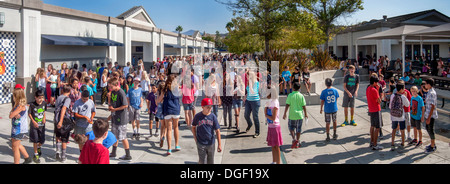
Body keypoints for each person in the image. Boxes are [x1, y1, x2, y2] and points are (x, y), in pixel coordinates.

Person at [191, 98, 222, 164]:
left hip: (211, 143)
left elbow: (217, 131)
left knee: (210, 161)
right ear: (202, 107)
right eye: (207, 107)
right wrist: (195, 138)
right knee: (202, 161)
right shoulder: (197, 116)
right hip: (201, 143)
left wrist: (219, 144)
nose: (209, 109)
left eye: (211, 107)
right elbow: (193, 127)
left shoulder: (213, 116)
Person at [108, 78, 132, 161]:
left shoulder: (121, 92)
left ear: (115, 85)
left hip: (121, 118)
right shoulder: (113, 92)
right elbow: (112, 103)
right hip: (115, 117)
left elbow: (125, 105)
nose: (109, 87)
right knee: (115, 136)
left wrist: (115, 109)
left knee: (122, 137)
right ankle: (114, 152)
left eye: (110, 86)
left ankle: (128, 155)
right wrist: (111, 107)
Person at [156, 74, 181, 155]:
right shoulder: (177, 88)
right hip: (176, 109)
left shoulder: (164, 90)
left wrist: (158, 98)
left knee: (169, 129)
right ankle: (176, 145)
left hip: (167, 110)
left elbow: (159, 100)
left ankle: (169, 148)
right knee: (176, 127)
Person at [10, 85, 32, 164]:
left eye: (14, 95)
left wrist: (13, 113)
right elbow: (12, 113)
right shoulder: (17, 105)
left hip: (19, 129)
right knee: (15, 145)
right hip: (16, 128)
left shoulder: (20, 106)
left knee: (15, 148)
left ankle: (17, 162)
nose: (13, 97)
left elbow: (10, 115)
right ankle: (27, 158)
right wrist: (13, 113)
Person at [283, 82, 307, 149]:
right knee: (298, 129)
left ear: (293, 88)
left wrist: (285, 113)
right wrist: (306, 114)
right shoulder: (301, 96)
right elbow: (304, 106)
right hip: (300, 115)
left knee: (291, 128)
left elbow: (287, 105)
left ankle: (294, 139)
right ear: (299, 88)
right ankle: (298, 141)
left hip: (292, 115)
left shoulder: (290, 95)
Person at [53, 84, 73, 162]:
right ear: (69, 91)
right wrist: (61, 121)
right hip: (63, 121)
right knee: (64, 138)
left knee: (58, 135)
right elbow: (64, 109)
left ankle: (57, 152)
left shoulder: (59, 97)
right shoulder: (67, 99)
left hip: (56, 119)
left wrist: (58, 121)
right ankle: (63, 156)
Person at [389, 82, 410, 151]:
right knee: (402, 129)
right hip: (401, 116)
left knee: (394, 129)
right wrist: (406, 97)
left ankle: (392, 143)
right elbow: (407, 105)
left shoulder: (392, 95)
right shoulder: (403, 96)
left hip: (393, 115)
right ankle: (402, 143)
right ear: (401, 89)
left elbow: (390, 106)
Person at [28, 89, 47, 163]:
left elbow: (44, 111)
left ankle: (39, 146)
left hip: (42, 125)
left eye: (42, 97)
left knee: (42, 140)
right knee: (35, 140)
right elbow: (29, 114)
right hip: (34, 126)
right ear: (35, 97)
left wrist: (44, 118)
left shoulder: (44, 103)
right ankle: (36, 154)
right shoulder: (32, 105)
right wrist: (33, 121)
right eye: (39, 98)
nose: (40, 99)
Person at [264, 86, 282, 164]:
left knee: (276, 146)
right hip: (270, 126)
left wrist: (266, 115)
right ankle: (274, 161)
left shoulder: (275, 102)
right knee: (272, 145)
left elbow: (273, 118)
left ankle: (278, 162)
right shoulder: (270, 101)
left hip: (275, 126)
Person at [366, 76, 383, 150]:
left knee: (372, 126)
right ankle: (375, 144)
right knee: (378, 127)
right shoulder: (374, 90)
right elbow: (379, 100)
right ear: (374, 82)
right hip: (376, 109)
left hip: (371, 109)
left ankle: (372, 141)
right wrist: (378, 90)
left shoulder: (368, 89)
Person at [422, 78, 438, 153]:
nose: (425, 85)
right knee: (427, 128)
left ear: (429, 84)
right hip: (427, 114)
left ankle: (432, 146)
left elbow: (432, 106)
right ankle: (432, 143)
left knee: (431, 130)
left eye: (425, 84)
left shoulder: (432, 93)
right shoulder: (429, 92)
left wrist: (429, 118)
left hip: (430, 115)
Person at [244, 71, 261, 138]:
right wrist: (245, 96)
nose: (246, 77)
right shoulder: (248, 83)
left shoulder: (256, 83)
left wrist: (250, 85)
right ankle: (250, 124)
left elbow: (253, 92)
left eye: (247, 76)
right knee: (246, 115)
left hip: (255, 101)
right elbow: (248, 92)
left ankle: (257, 131)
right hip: (248, 101)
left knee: (255, 117)